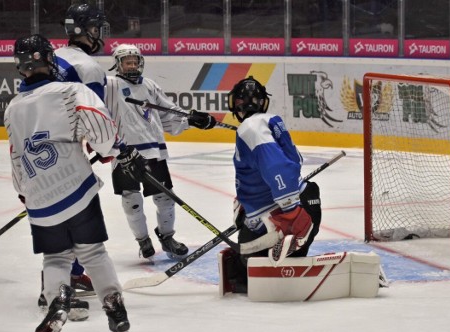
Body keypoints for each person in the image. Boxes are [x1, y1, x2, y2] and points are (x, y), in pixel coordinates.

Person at [5, 34, 145, 332]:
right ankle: (113, 303)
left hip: (39, 199)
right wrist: (117, 150)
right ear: (49, 59)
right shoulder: (71, 90)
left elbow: (16, 156)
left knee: (55, 257)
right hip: (76, 189)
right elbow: (101, 131)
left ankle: (57, 302)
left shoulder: (13, 107)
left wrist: (25, 192)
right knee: (93, 252)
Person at [104, 43, 217, 261]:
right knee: (132, 200)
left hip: (154, 152)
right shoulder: (110, 86)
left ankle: (167, 237)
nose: (132, 65)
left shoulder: (150, 86)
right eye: (127, 62)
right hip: (126, 154)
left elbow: (169, 115)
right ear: (118, 64)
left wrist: (191, 119)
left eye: (135, 61)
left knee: (165, 199)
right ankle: (143, 240)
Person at [219, 76, 322, 293]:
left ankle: (287, 259)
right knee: (246, 266)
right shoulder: (265, 122)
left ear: (235, 103)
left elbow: (276, 167)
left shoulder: (250, 126)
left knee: (248, 270)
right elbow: (272, 167)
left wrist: (291, 211)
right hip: (298, 205)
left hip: (284, 217)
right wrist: (245, 203)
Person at [37, 2, 110, 304]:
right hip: (66, 152)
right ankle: (58, 287)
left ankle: (73, 274)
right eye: (95, 27)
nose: (99, 34)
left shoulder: (52, 57)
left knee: (63, 215)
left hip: (38, 150)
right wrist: (109, 149)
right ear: (82, 30)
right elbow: (97, 121)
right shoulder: (89, 68)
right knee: (78, 215)